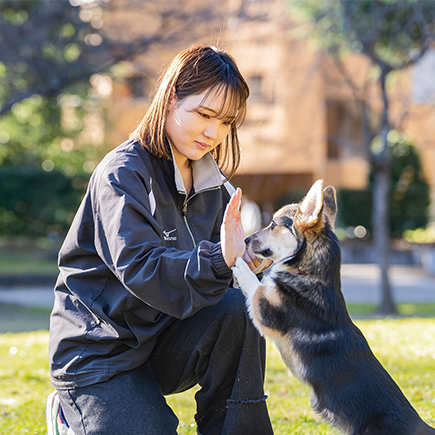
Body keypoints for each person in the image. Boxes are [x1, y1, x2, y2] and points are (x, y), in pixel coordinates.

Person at [45, 44, 274, 435]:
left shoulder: (210, 183)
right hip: (102, 353)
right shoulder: (122, 174)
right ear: (170, 98)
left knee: (241, 311)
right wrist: (219, 259)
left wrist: (252, 259)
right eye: (204, 115)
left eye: (224, 123)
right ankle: (71, 415)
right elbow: (142, 267)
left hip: (162, 339)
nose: (212, 133)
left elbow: (220, 277)